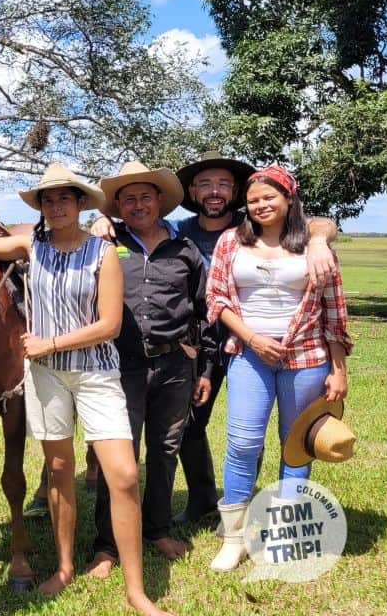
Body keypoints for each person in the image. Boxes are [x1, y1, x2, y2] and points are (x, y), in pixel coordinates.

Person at [91, 151, 339, 525]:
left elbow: (317, 223)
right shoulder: (180, 231)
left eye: (223, 183)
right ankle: (203, 497)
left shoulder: (253, 221)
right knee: (189, 423)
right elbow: (136, 222)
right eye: (205, 184)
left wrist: (319, 239)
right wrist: (99, 219)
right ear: (192, 191)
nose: (214, 191)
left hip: (250, 345)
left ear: (235, 191)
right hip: (200, 344)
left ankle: (250, 501)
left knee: (250, 429)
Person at [0, 163, 173, 616]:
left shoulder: (104, 253)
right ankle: (63, 567)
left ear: (81, 204)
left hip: (96, 373)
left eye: (65, 198)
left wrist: (51, 342)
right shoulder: (31, 245)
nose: (56, 206)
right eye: (48, 199)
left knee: (122, 474)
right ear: (40, 207)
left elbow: (109, 324)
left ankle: (137, 591)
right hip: (46, 377)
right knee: (59, 469)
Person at [204, 165, 350, 571]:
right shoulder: (231, 242)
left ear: (289, 200)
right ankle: (233, 537)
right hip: (250, 356)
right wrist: (251, 338)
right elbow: (216, 299)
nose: (261, 205)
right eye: (253, 200)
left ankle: (285, 532)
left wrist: (339, 369)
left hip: (306, 358)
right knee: (243, 442)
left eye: (269, 197)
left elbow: (334, 312)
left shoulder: (315, 247)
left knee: (296, 443)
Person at [87, 161, 205, 578]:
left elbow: (203, 311)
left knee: (165, 451)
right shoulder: (102, 243)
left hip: (175, 365)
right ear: (117, 206)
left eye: (145, 196)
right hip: (121, 365)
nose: (138, 204)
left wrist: (202, 369)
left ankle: (157, 528)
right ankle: (107, 546)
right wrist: (97, 221)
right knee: (116, 457)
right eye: (128, 198)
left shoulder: (186, 249)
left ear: (160, 201)